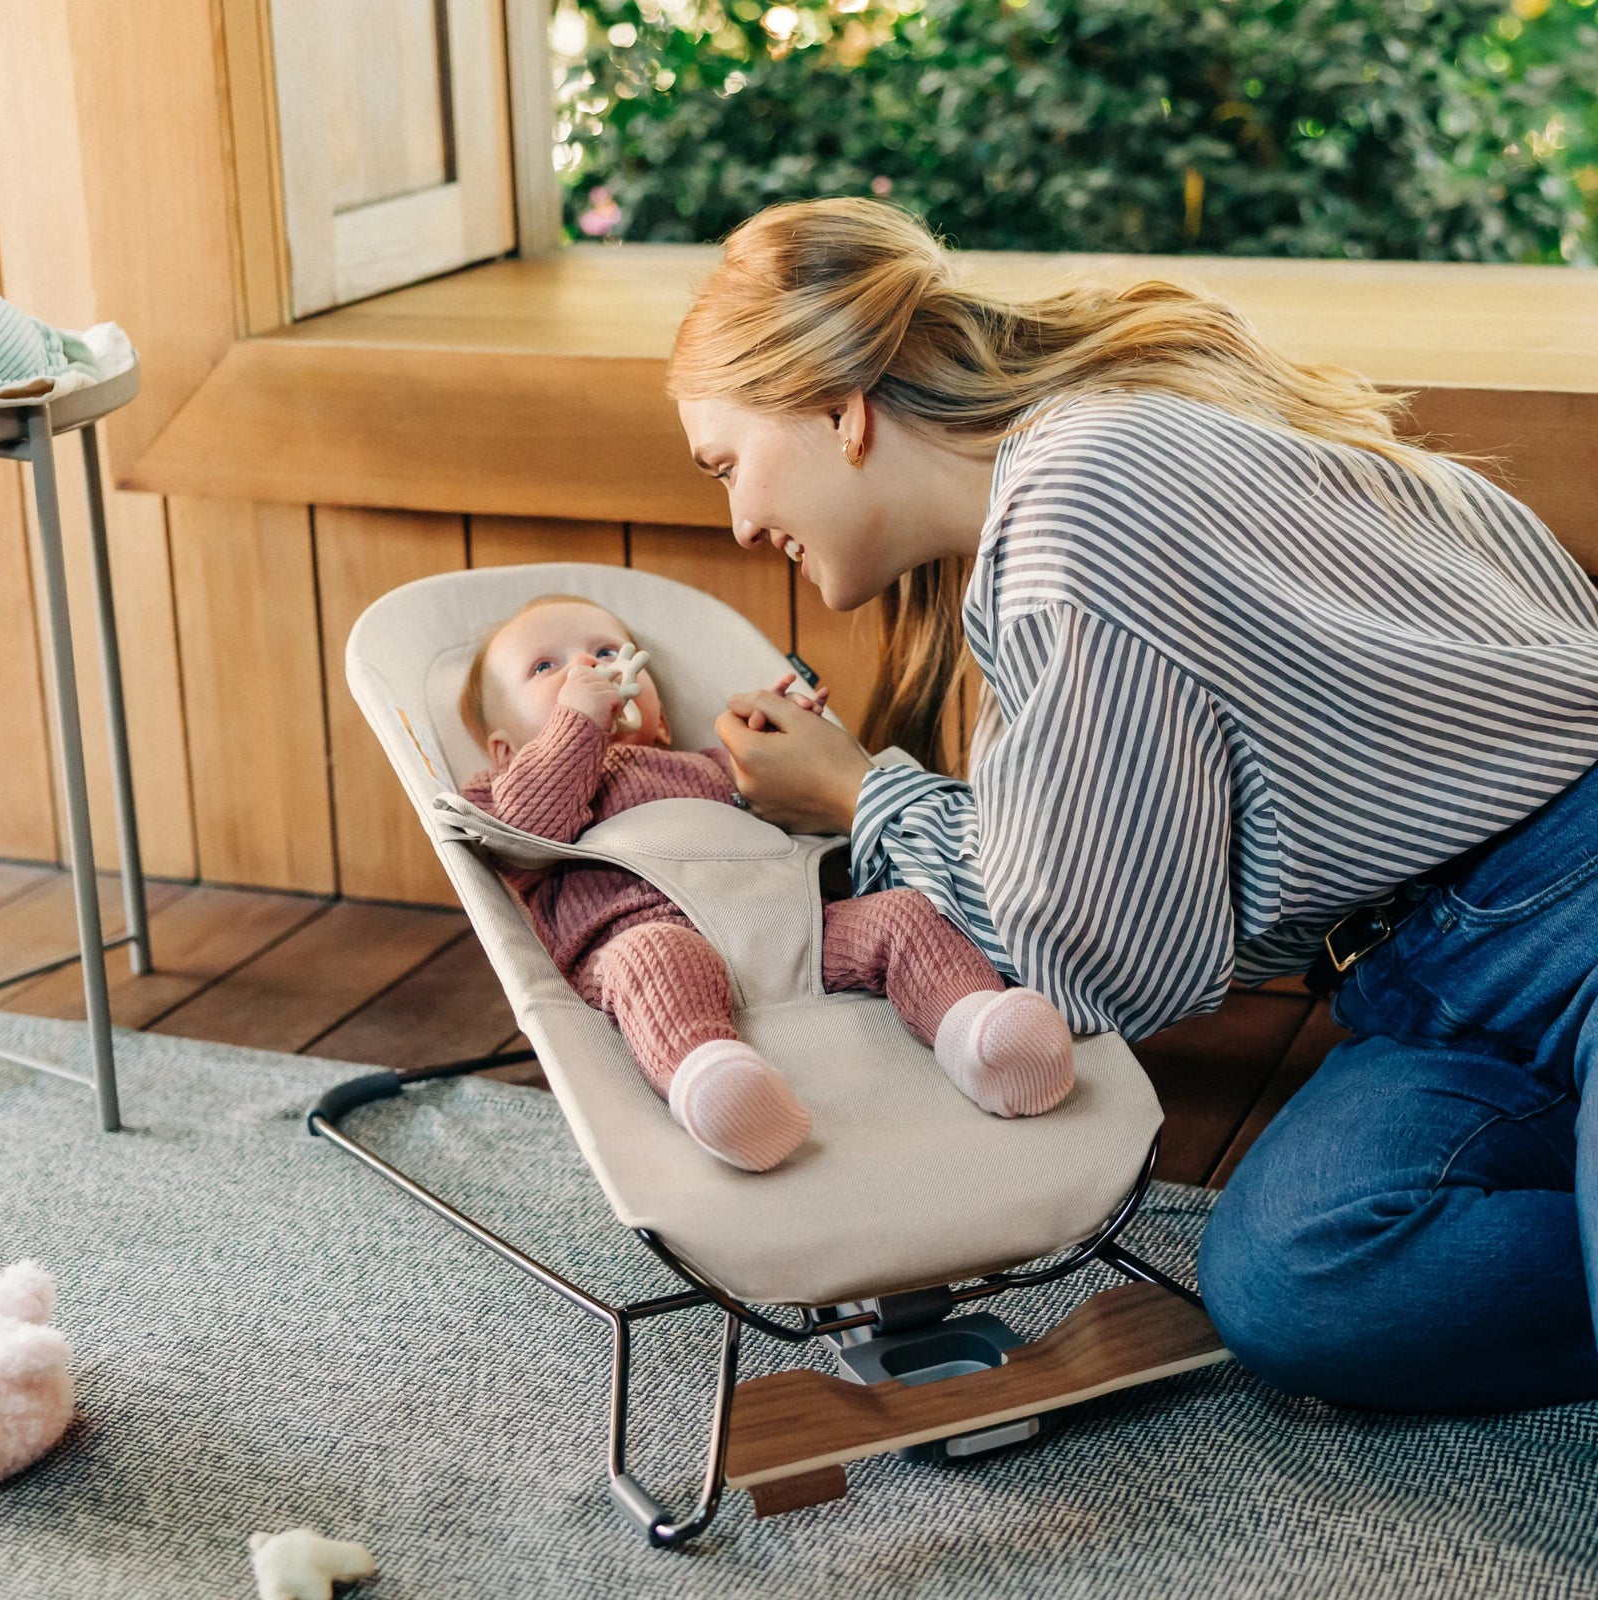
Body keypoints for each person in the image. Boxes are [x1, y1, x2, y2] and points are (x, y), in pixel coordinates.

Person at [671, 195, 1598, 1411]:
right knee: (1297, 1282)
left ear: (840, 412)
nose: (739, 521)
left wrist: (863, 793)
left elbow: (1087, 965)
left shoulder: (1079, 503)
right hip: (1421, 978)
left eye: (727, 464)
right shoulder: (1087, 475)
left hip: (1568, 903)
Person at [457, 592, 1077, 1173]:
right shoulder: (507, 791)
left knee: (903, 914)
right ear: (505, 750)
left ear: (663, 721)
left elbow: (792, 804)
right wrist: (575, 726)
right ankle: (716, 1083)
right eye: (546, 667)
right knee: (653, 965)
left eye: (607, 652)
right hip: (647, 932)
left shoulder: (702, 764)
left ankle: (979, 1033)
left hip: (787, 924)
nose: (586, 667)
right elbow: (526, 825)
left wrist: (783, 740)